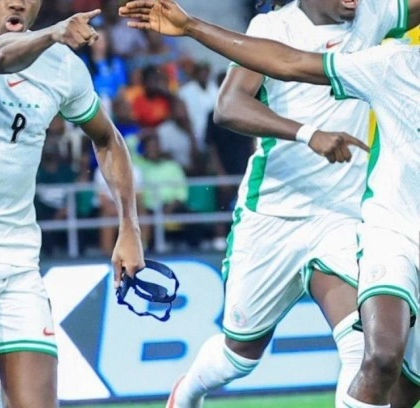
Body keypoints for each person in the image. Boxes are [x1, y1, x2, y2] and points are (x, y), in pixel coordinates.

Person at [118, 2, 419, 408]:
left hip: (344, 216)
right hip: (274, 213)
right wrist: (308, 133)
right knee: (238, 356)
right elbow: (228, 106)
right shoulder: (273, 27)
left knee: (363, 347)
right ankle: (186, 393)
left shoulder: (374, 13)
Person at [0, 2, 146, 407]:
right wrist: (52, 33)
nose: (19, 1)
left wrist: (129, 227)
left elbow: (108, 139)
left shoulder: (63, 67)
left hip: (17, 257)